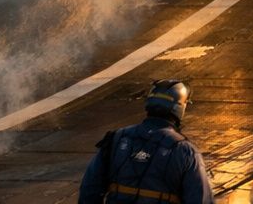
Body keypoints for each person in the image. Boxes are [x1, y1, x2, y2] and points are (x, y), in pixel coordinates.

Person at [79, 78, 214, 204]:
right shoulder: (185, 151)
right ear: (180, 107)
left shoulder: (117, 138)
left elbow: (89, 189)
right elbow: (200, 198)